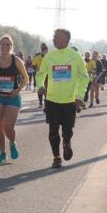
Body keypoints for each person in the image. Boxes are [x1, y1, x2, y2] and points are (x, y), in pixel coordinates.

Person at [34, 29, 89, 168]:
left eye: (56, 37)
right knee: (52, 130)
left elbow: (84, 77)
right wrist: (40, 85)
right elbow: (40, 74)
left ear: (65, 39)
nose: (53, 39)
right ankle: (56, 157)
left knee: (67, 131)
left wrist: (79, 96)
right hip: (52, 100)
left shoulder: (76, 57)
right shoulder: (49, 57)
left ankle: (66, 143)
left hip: (69, 101)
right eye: (53, 36)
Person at [0, 34, 29, 163]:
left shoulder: (16, 61)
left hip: (13, 97)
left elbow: (26, 79)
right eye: (3, 44)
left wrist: (17, 90)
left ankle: (12, 142)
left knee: (8, 126)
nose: (5, 46)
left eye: (8, 44)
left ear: (12, 47)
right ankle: (2, 153)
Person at [32, 42, 48, 108]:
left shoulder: (49, 56)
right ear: (42, 50)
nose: (46, 52)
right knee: (40, 89)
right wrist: (37, 71)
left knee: (47, 89)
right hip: (40, 76)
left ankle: (47, 102)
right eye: (44, 50)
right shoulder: (37, 56)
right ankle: (40, 102)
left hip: (48, 75)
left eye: (47, 50)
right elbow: (33, 66)